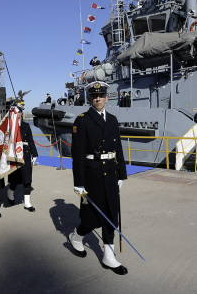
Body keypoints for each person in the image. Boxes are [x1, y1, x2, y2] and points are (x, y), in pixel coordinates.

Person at [68, 81, 128, 275]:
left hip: (110, 173)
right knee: (92, 218)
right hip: (92, 174)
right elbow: (77, 154)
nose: (98, 98)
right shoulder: (82, 120)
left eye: (101, 95)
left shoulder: (112, 119)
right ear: (90, 98)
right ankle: (77, 237)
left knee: (111, 214)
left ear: (107, 97)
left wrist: (122, 175)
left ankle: (108, 256)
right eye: (94, 96)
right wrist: (78, 182)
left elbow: (118, 148)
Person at [7, 104, 38, 212]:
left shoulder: (26, 125)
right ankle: (10, 191)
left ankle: (27, 202)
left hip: (25, 153)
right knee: (15, 178)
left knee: (27, 177)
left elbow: (30, 140)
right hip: (14, 154)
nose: (18, 114)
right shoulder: (9, 126)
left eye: (19, 112)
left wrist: (35, 154)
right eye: (16, 112)